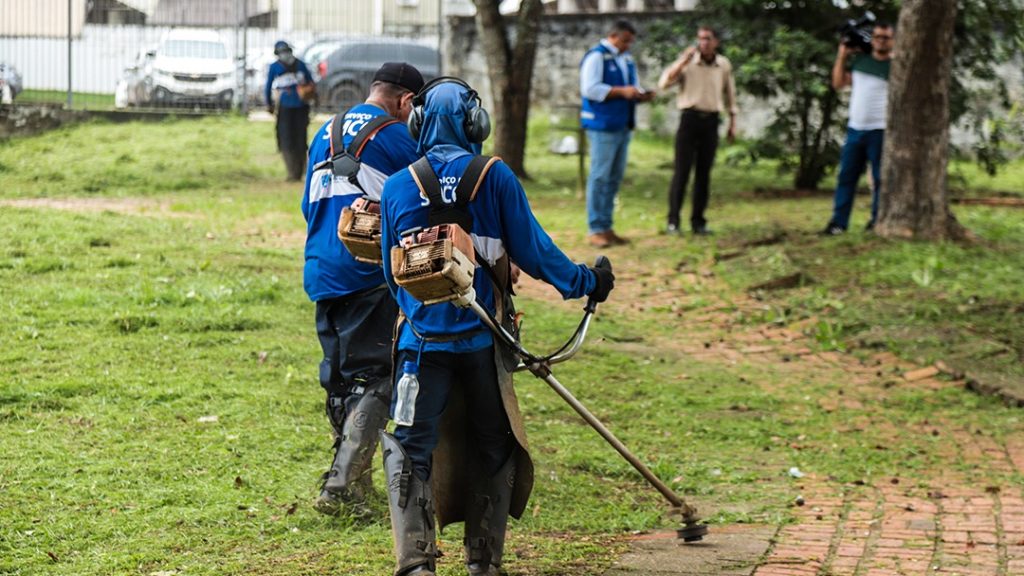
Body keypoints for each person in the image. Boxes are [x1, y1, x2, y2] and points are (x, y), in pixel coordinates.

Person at [379, 78, 615, 576]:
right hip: (484, 342)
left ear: (418, 123)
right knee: (495, 441)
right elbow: (537, 254)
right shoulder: (495, 176)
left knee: (409, 444)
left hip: (419, 344)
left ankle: (415, 564)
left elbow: (389, 273)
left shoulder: (399, 184)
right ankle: (483, 562)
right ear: (475, 125)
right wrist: (588, 282)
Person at [301, 63, 425, 516]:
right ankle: (342, 486)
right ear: (406, 101)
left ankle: (353, 479)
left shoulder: (324, 132)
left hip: (320, 270)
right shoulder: (396, 136)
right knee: (381, 374)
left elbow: (306, 203)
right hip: (366, 273)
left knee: (340, 377)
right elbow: (423, 200)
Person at [579, 19, 656, 248]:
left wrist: (639, 95)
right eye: (625, 40)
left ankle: (607, 226)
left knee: (613, 178)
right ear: (614, 36)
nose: (628, 45)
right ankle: (595, 228)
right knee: (600, 176)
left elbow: (630, 87)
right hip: (602, 125)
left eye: (631, 42)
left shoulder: (626, 59)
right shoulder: (596, 57)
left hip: (623, 123)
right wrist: (623, 91)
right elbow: (589, 89)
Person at [658, 25, 738, 236]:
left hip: (711, 121)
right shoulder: (687, 63)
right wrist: (683, 60)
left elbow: (730, 94)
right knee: (681, 172)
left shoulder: (723, 65)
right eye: (700, 39)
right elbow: (665, 83)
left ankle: (698, 221)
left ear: (716, 42)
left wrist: (732, 121)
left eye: (708, 39)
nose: (703, 43)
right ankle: (673, 221)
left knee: (704, 174)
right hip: (689, 120)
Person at [821, 22, 895, 235]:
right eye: (878, 37)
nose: (881, 41)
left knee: (880, 178)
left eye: (886, 37)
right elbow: (838, 83)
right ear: (872, 39)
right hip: (856, 128)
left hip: (880, 129)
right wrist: (842, 56)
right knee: (847, 176)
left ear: (893, 41)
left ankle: (876, 220)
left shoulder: (894, 66)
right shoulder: (861, 61)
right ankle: (838, 222)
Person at [266, 40, 314, 181]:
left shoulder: (297, 65)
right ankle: (294, 172)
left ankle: (299, 171)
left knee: (295, 139)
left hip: (296, 107)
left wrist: (269, 104)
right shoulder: (278, 67)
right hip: (291, 108)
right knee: (292, 139)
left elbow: (311, 84)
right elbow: (268, 86)